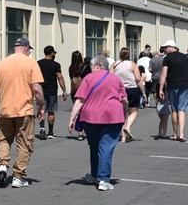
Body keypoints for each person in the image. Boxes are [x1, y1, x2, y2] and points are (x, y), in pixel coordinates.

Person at [0, 37, 45, 189]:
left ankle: (2, 167)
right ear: (27, 48)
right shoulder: (31, 63)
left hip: (5, 111)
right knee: (24, 143)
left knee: (4, 140)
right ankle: (18, 177)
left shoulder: (1, 64)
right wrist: (41, 106)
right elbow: (37, 89)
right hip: (24, 111)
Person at [68, 54, 128, 191]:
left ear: (97, 66)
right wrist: (124, 115)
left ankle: (95, 175)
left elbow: (80, 100)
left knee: (94, 146)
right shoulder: (116, 79)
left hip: (90, 117)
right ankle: (104, 179)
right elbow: (124, 100)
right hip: (112, 117)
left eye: (91, 66)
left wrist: (72, 118)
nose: (90, 69)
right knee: (106, 147)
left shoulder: (88, 78)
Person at [158, 40, 188, 142]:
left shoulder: (167, 59)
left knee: (174, 109)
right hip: (184, 85)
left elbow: (164, 74)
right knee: (182, 109)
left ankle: (175, 133)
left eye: (165, 48)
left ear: (171, 47)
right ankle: (182, 134)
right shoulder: (186, 57)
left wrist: (161, 88)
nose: (164, 50)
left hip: (172, 85)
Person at [111, 47, 146, 142]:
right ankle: (128, 127)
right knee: (133, 112)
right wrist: (143, 92)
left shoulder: (115, 64)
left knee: (123, 114)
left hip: (119, 90)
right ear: (128, 55)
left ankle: (123, 137)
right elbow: (138, 79)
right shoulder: (132, 65)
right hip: (132, 90)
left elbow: (110, 77)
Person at [37, 45, 67, 140]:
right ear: (51, 53)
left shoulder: (38, 64)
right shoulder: (56, 65)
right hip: (52, 91)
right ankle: (50, 132)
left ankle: (42, 128)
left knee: (41, 110)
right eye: (54, 53)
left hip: (40, 90)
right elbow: (60, 77)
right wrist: (64, 90)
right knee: (51, 111)